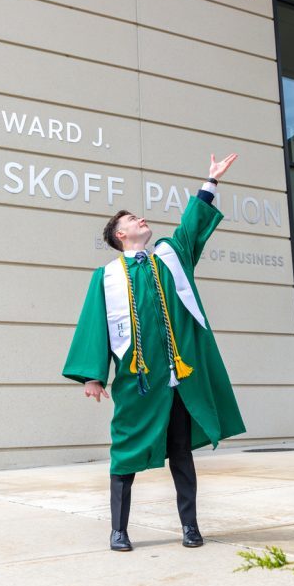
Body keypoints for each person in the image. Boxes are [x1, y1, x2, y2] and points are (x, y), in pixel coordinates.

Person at [62, 153, 247, 552]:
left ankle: (190, 527)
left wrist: (210, 182)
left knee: (181, 453)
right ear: (120, 236)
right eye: (131, 220)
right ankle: (119, 530)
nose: (140, 221)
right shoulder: (106, 277)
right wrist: (93, 375)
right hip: (138, 382)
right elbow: (94, 325)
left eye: (139, 218)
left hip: (179, 378)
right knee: (125, 454)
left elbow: (193, 224)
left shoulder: (171, 255)